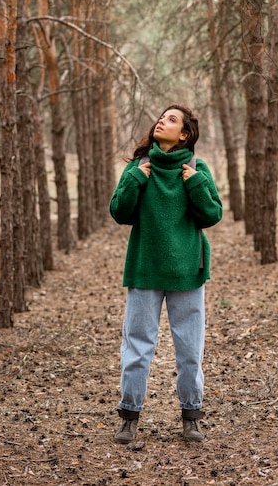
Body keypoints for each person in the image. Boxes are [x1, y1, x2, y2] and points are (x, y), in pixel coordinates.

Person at [109, 103, 223, 444]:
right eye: (161, 117)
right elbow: (119, 212)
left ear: (184, 134)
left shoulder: (195, 168)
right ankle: (129, 417)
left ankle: (192, 417)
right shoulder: (139, 166)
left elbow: (212, 214)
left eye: (171, 119)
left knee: (189, 350)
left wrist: (196, 183)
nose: (162, 121)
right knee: (137, 348)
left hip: (187, 272)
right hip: (145, 268)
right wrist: (134, 179)